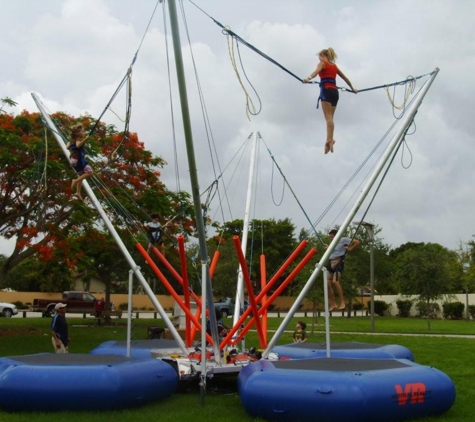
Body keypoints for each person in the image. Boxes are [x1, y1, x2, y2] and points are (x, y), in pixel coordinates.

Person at [303, 47, 357, 154]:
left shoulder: (322, 64)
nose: (319, 59)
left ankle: (329, 141)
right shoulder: (334, 66)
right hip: (335, 93)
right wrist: (353, 89)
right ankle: (329, 140)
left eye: (320, 56)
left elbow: (315, 72)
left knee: (328, 119)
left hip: (326, 91)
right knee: (331, 119)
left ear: (323, 56)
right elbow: (345, 79)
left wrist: (307, 78)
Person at [324, 229, 360, 311]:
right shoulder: (332, 243)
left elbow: (357, 242)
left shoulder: (343, 239)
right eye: (330, 238)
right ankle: (333, 304)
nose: (331, 239)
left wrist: (350, 248)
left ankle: (342, 302)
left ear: (335, 235)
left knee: (335, 281)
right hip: (330, 262)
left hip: (338, 262)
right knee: (327, 285)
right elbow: (334, 251)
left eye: (332, 237)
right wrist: (328, 248)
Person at [67, 123, 93, 200]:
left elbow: (67, 147)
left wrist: (83, 151)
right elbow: (78, 145)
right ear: (77, 133)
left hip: (73, 160)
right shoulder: (78, 140)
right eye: (82, 131)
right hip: (78, 160)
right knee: (90, 172)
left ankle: (78, 192)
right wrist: (85, 140)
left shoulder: (71, 141)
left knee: (81, 175)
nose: (84, 133)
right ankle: (75, 181)